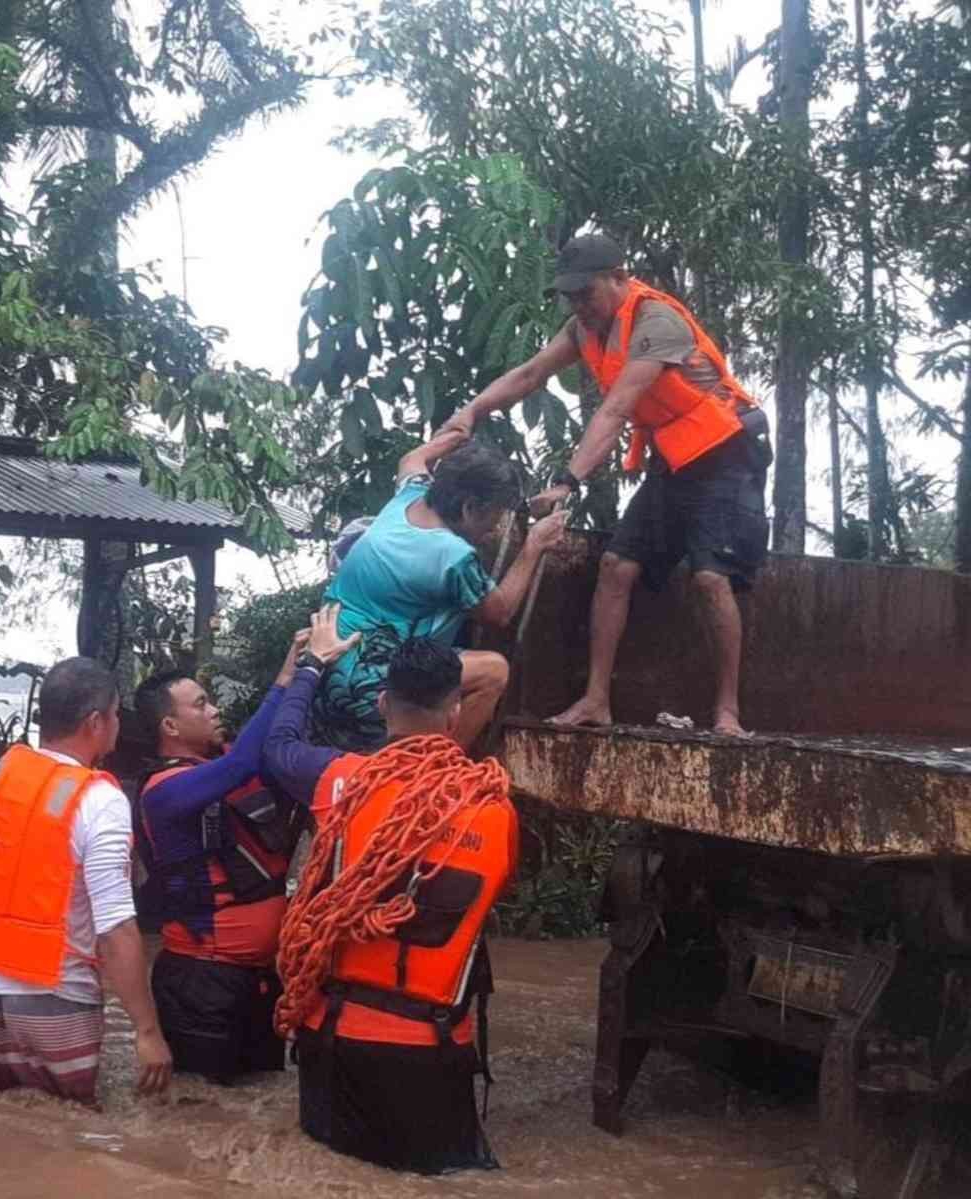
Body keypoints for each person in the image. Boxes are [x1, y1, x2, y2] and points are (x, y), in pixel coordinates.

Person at [442, 233, 772, 735]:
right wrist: (472, 409)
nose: (579, 305)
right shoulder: (584, 328)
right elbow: (530, 373)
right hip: (675, 455)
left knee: (710, 577)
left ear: (619, 278)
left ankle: (727, 712)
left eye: (586, 293)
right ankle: (596, 701)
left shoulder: (656, 321)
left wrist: (568, 482)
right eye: (571, 296)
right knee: (617, 566)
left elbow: (617, 408)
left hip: (727, 452)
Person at [264, 610, 518, 1175]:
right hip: (429, 1056)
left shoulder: (339, 783)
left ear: (381, 704)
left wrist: (312, 664)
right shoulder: (495, 810)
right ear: (455, 712)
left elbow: (277, 746)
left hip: (329, 1045)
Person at [0, 657, 173, 1105]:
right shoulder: (100, 799)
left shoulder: (1, 777)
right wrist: (147, 1032)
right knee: (67, 1149)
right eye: (114, 714)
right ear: (95, 722)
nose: (117, 723)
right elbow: (115, 928)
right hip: (55, 999)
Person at [130, 633, 319, 1084]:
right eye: (200, 704)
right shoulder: (165, 792)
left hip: (258, 982)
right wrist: (302, 674)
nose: (215, 710)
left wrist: (293, 667)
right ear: (169, 728)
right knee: (198, 1120)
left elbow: (264, 748)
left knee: (254, 1109)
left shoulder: (221, 767)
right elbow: (243, 764)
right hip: (202, 985)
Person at [318, 436, 568, 751]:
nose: (494, 529)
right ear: (469, 507)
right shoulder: (452, 556)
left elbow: (413, 457)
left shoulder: (409, 495)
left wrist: (461, 430)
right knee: (493, 671)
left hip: (323, 668)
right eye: (494, 516)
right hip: (367, 690)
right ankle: (434, 770)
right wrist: (534, 546)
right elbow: (500, 612)